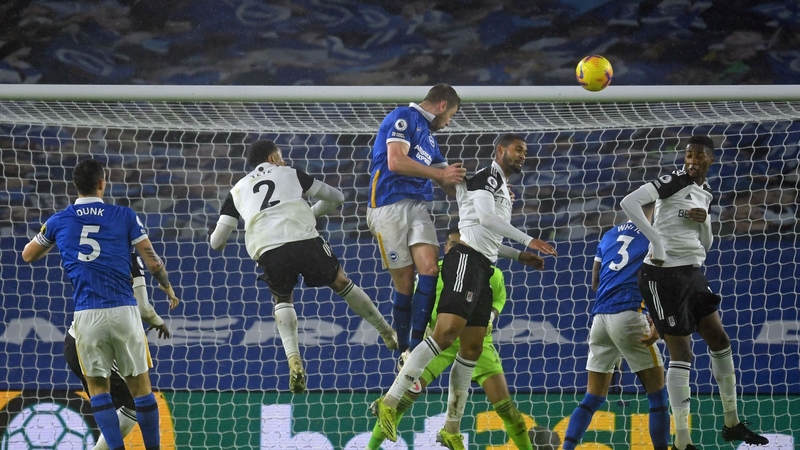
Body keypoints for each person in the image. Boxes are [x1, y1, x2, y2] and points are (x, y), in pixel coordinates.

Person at [371, 133, 558, 450]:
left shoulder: (501, 188)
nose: (522, 155)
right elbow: (484, 219)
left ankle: (451, 429)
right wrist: (528, 241)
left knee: (471, 348)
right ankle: (389, 402)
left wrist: (515, 255)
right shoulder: (485, 177)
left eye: (525, 151)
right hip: (466, 261)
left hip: (483, 267)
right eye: (517, 149)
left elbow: (484, 231)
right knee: (445, 334)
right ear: (500, 150)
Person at [209, 139, 397, 394]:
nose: (283, 160)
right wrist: (309, 213)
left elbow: (217, 242)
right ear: (273, 158)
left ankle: (293, 359)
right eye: (281, 155)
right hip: (304, 238)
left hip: (268, 247)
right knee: (341, 281)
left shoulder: (237, 190)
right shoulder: (291, 173)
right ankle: (387, 332)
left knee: (282, 299)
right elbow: (337, 197)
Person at [620, 135, 768, 450]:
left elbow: (707, 245)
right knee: (683, 354)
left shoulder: (706, 193)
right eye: (689, 154)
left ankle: (732, 423)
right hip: (661, 275)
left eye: (698, 155)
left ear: (710, 160)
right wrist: (656, 241)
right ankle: (683, 442)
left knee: (720, 340)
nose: (692, 160)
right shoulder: (672, 181)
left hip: (693, 273)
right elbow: (628, 202)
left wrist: (706, 221)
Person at [22, 158, 180, 450]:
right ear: (102, 183)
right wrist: (167, 287)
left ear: (75, 186)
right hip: (124, 312)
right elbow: (152, 260)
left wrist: (54, 241)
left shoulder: (59, 220)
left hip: (86, 315)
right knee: (142, 391)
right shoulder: (124, 216)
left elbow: (28, 255)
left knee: (99, 392)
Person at [367, 226, 541, 450]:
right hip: (437, 342)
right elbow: (419, 307)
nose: (459, 248)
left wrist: (491, 315)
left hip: (478, 344)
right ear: (446, 248)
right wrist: (411, 344)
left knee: (507, 409)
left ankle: (456, 430)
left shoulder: (492, 273)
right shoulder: (435, 273)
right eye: (454, 244)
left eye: (463, 244)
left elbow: (498, 301)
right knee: (401, 403)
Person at [366, 83, 467, 354]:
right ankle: (402, 350)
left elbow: (450, 181)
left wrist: (493, 191)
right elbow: (395, 162)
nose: (448, 124)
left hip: (418, 206)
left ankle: (416, 346)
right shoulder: (404, 117)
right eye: (451, 117)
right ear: (443, 106)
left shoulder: (431, 141)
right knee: (406, 282)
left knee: (430, 270)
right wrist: (440, 176)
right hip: (388, 204)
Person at [563, 201, 670, 450]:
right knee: (658, 397)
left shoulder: (610, 234)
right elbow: (658, 280)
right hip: (630, 314)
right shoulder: (655, 235)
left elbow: (594, 282)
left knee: (593, 397)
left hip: (599, 319)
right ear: (655, 206)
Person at [63, 252, 172, 450]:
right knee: (138, 397)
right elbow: (143, 308)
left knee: (110, 400)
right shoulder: (129, 257)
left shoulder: (87, 254)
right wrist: (158, 321)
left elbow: (29, 253)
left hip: (77, 340)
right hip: (99, 339)